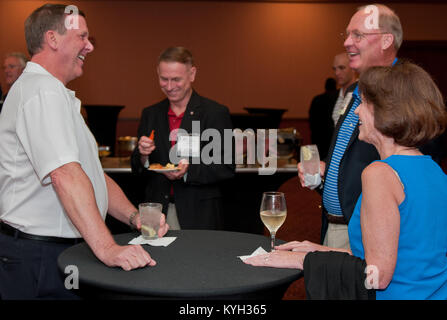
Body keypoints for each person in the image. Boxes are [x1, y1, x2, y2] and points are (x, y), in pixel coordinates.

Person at [0, 4, 168, 300]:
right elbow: (65, 175)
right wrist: (108, 248)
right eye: (83, 37)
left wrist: (133, 217)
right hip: (39, 256)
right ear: (53, 39)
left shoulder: (55, 94)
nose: (89, 46)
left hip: (57, 250)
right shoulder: (42, 91)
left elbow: (91, 175)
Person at [245, 61, 447, 300]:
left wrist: (303, 260)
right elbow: (400, 252)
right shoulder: (432, 168)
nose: (357, 111)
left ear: (387, 112)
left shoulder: (379, 174)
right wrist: (319, 249)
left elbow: (377, 276)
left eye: (363, 104)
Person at [298, 4, 441, 250]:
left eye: (358, 35)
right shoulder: (355, 90)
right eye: (347, 35)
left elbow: (420, 164)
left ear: (387, 40)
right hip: (334, 227)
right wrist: (329, 173)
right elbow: (353, 155)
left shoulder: (406, 91)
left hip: (372, 234)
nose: (347, 43)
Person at [131, 47, 235, 230]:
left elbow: (226, 167)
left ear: (192, 74)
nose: (169, 87)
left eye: (176, 79)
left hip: (199, 215)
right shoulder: (151, 114)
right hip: (157, 213)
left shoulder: (215, 113)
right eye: (164, 79)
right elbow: (137, 169)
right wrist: (143, 155)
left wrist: (187, 171)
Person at [308, 77, 338, 159]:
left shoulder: (317, 99)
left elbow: (311, 119)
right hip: (332, 137)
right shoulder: (338, 99)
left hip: (318, 136)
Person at [331, 52, 357, 125]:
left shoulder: (361, 94)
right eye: (334, 69)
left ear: (353, 68)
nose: (337, 73)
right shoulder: (333, 97)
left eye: (341, 68)